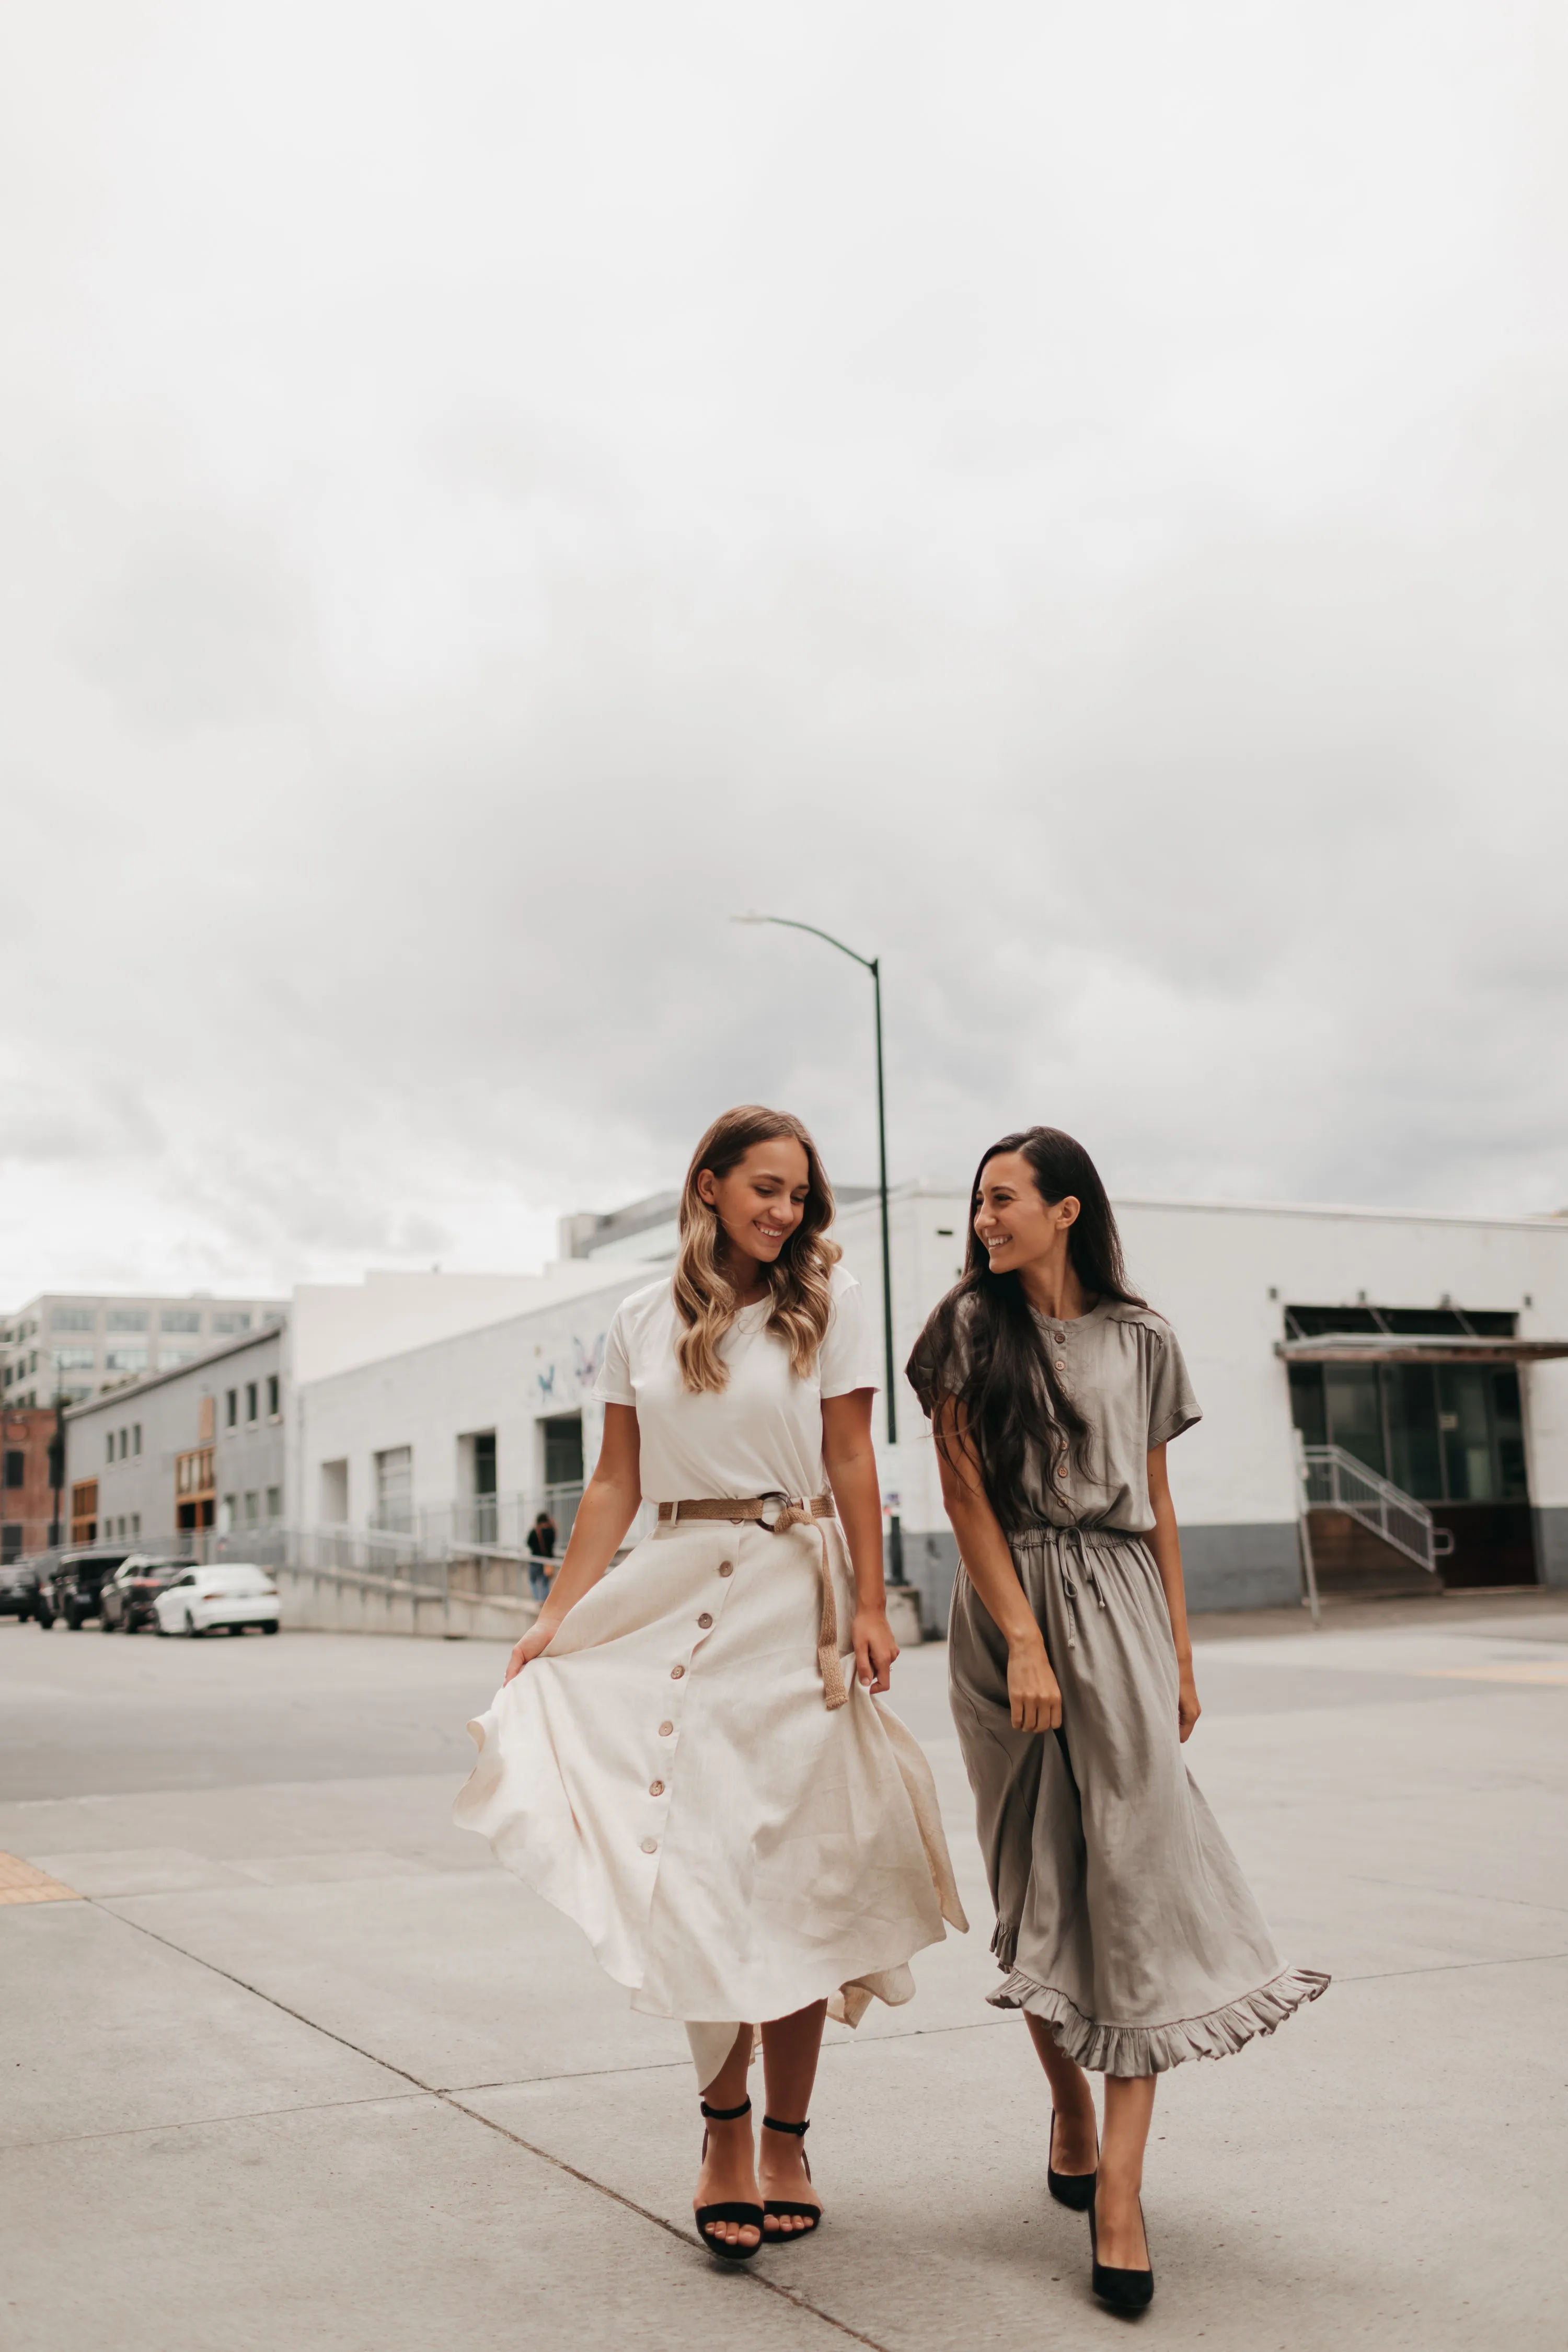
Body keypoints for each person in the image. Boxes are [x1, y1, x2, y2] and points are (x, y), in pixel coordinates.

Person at [455, 1104, 965, 2262]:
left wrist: (878, 1607)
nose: (784, 1212)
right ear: (711, 1186)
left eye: (799, 1195)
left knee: (797, 1874)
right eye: (766, 1189)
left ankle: (788, 2136)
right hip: (677, 1595)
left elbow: (850, 1460)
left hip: (799, 1606)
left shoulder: (822, 1307)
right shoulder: (639, 1318)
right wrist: (555, 1619)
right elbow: (612, 1488)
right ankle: (722, 2131)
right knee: (694, 1874)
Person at [907, 1126, 1327, 2314]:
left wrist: (1182, 1651)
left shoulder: (1142, 1337)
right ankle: (1069, 2108)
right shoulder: (962, 1329)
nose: (984, 1219)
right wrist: (1026, 1636)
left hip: (1127, 1614)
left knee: (1135, 1887)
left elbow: (1160, 1502)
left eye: (1003, 1199)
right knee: (1031, 1887)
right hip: (1005, 1623)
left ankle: (1124, 2195)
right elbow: (960, 1490)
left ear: (1067, 1208)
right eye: (979, 1202)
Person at [525, 1509, 557, 1604]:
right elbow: (553, 1542)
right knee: (545, 1582)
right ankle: (545, 1601)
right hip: (547, 1561)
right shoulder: (551, 1531)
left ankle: (538, 1600)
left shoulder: (535, 1531)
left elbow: (528, 1542)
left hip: (536, 1560)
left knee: (533, 1580)